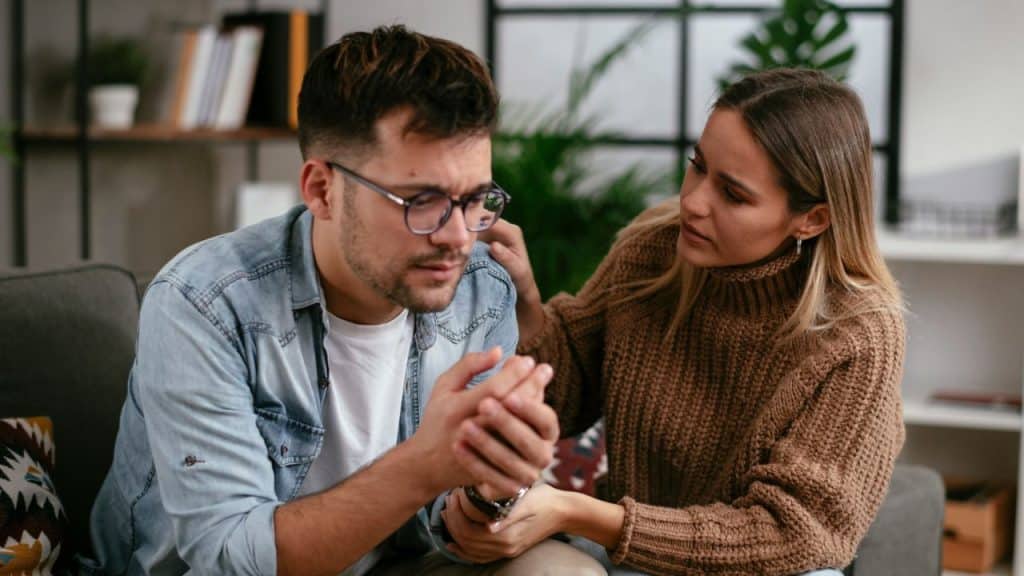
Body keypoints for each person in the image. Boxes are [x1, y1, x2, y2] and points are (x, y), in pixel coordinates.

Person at [88, 25, 600, 576]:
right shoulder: (203, 303)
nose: (458, 237)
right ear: (322, 190)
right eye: (421, 200)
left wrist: (491, 491)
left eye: (475, 200)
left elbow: (447, 526)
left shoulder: (480, 286)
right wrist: (424, 466)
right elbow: (231, 559)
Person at [444, 68, 906, 575]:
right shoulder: (655, 253)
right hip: (633, 561)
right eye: (697, 166)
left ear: (812, 219)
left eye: (733, 194)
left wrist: (575, 511)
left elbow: (794, 533)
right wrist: (527, 301)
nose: (693, 202)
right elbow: (563, 399)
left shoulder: (859, 332)